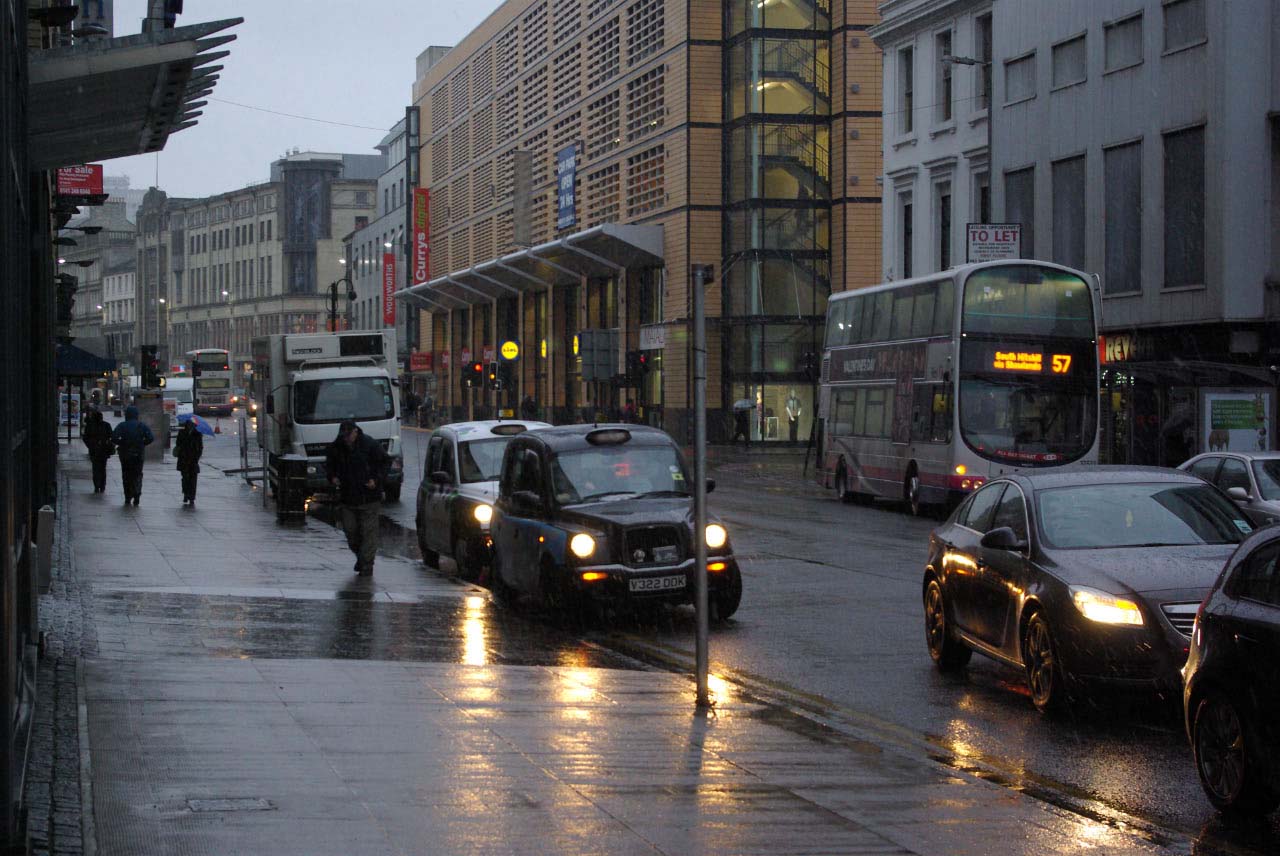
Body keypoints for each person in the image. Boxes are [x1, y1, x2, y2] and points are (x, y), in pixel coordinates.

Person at [325, 420, 390, 576]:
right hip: (348, 497)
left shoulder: (369, 444)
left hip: (369, 497)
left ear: (355, 432)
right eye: (344, 436)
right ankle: (362, 557)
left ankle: (367, 564)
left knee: (369, 533)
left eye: (349, 436)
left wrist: (375, 480)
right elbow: (330, 465)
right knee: (351, 531)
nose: (347, 439)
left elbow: (385, 462)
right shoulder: (337, 447)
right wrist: (332, 477)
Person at [111, 405, 154, 506]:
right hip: (138, 454)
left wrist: (122, 443)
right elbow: (150, 438)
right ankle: (137, 495)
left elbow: (114, 437)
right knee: (137, 474)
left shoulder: (122, 425)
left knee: (126, 475)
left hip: (125, 454)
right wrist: (142, 444)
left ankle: (128, 496)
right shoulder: (142, 426)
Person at [81, 409, 114, 493]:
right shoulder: (106, 425)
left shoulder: (90, 426)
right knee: (103, 468)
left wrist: (90, 445)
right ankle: (102, 486)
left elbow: (85, 438)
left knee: (95, 468)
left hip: (94, 450)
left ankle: (97, 485)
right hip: (104, 450)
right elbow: (112, 436)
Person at [174, 419, 204, 505]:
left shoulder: (198, 434)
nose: (191, 426)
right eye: (189, 424)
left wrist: (197, 457)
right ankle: (186, 493)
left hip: (193, 460)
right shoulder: (182, 433)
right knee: (185, 478)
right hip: (184, 459)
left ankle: (191, 497)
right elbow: (178, 444)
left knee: (193, 479)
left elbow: (200, 447)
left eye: (192, 425)